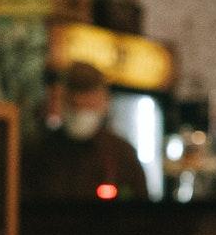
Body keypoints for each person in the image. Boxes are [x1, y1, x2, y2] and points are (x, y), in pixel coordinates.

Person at [22, 61, 148, 200]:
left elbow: (140, 212)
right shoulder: (37, 152)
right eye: (74, 105)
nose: (81, 109)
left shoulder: (122, 155)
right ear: (61, 100)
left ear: (105, 102)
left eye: (88, 105)